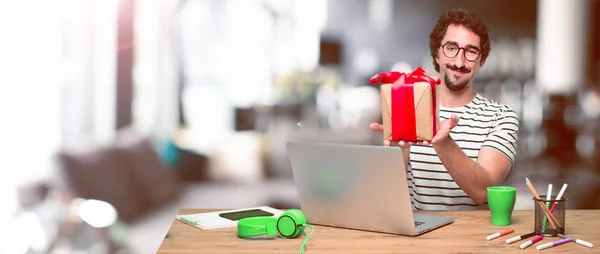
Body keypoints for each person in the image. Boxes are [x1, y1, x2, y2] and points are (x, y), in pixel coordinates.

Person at [370, 8, 519, 210]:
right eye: (451, 48)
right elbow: (386, 196)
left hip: (474, 240)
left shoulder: (501, 117)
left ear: (481, 61)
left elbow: (483, 193)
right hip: (417, 237)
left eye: (471, 52)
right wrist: (399, 150)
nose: (459, 62)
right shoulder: (406, 109)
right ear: (437, 54)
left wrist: (443, 141)